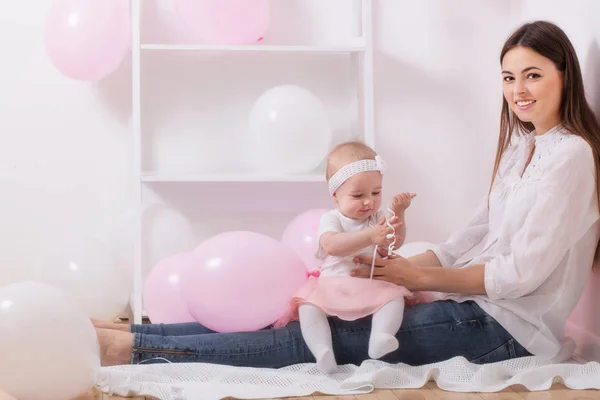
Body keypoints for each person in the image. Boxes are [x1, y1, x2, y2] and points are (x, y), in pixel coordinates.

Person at [94, 20, 600, 369]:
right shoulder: (520, 149)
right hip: (474, 305)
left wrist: (418, 275)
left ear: (564, 76)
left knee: (315, 339)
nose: (518, 90)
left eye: (532, 75)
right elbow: (468, 238)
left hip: (507, 331)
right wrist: (387, 269)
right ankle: (134, 335)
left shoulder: (572, 155)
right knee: (295, 310)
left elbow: (520, 275)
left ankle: (132, 353)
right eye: (509, 77)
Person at [272, 141, 416, 373]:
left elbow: (394, 243)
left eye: (376, 192)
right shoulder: (332, 219)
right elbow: (332, 245)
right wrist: (370, 236)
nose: (369, 201)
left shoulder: (376, 217)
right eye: (358, 195)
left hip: (371, 285)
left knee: (394, 298)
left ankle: (381, 336)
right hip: (333, 284)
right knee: (308, 307)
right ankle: (322, 351)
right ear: (335, 195)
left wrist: (398, 214)